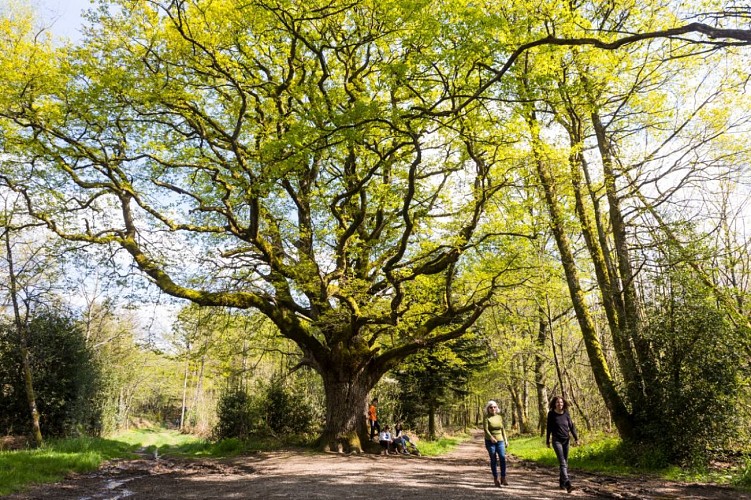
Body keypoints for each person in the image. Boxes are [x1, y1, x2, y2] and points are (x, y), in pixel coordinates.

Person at [546, 396, 579, 493]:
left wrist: (576, 438)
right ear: (554, 404)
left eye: (561, 402)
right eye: (557, 402)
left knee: (565, 462)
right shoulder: (551, 414)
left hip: (566, 440)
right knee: (562, 462)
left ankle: (561, 483)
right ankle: (568, 484)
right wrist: (547, 441)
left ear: (563, 403)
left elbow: (571, 426)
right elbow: (549, 428)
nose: (559, 404)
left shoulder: (566, 413)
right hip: (556, 440)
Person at [483, 400, 508, 487]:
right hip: (490, 441)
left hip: (500, 440)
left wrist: (506, 440)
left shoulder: (499, 417)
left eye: (494, 407)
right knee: (493, 459)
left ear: (497, 408)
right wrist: (491, 437)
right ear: (488, 409)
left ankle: (503, 477)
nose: (493, 408)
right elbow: (486, 429)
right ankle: (495, 478)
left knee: (502, 458)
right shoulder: (486, 417)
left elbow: (502, 429)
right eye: (491, 407)